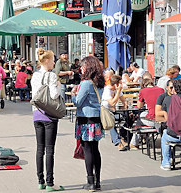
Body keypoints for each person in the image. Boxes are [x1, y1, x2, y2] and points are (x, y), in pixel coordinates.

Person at [31, 48, 64, 191]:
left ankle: (40, 181)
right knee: (50, 150)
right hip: (49, 115)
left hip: (36, 114)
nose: (54, 62)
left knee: (40, 149)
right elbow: (54, 95)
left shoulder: (34, 75)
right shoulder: (51, 76)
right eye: (53, 60)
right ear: (46, 61)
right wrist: (58, 85)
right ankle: (50, 183)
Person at [71, 56, 105, 191]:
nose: (81, 68)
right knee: (95, 149)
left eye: (83, 66)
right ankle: (97, 181)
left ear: (88, 67)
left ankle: (90, 181)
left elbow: (78, 102)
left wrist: (73, 94)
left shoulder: (86, 83)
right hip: (96, 119)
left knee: (88, 150)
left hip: (86, 119)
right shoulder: (99, 82)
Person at [156, 79, 181, 171]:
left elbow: (160, 113)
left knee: (164, 136)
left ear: (175, 89)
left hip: (172, 134)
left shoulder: (168, 99)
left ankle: (166, 163)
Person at [130, 78, 164, 149]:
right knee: (143, 116)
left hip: (152, 120)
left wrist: (145, 101)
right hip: (162, 119)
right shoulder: (161, 90)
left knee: (140, 117)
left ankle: (134, 143)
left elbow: (139, 106)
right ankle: (145, 139)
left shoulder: (143, 91)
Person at [101, 75, 128, 151]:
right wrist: (118, 91)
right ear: (116, 84)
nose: (121, 85)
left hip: (113, 111)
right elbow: (112, 103)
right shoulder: (107, 90)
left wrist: (126, 105)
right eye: (120, 83)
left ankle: (122, 137)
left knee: (128, 117)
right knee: (111, 121)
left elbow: (123, 100)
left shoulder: (117, 90)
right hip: (105, 111)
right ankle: (118, 142)